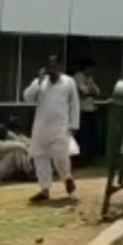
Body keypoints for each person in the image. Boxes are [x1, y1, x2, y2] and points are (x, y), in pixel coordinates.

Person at [22, 55, 81, 202]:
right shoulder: (40, 82)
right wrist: (38, 82)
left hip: (60, 127)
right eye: (50, 67)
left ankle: (67, 178)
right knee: (40, 157)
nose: (52, 70)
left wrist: (74, 124)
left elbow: (74, 104)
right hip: (41, 127)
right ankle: (44, 189)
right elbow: (27, 97)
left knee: (60, 156)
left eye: (55, 67)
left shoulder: (68, 82)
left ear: (60, 68)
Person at [72, 59, 101, 166]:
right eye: (90, 68)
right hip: (81, 110)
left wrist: (90, 91)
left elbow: (97, 92)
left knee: (91, 136)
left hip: (90, 109)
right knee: (82, 136)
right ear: (85, 68)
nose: (92, 70)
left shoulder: (90, 78)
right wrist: (89, 91)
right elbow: (83, 92)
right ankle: (79, 159)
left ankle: (89, 158)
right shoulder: (77, 77)